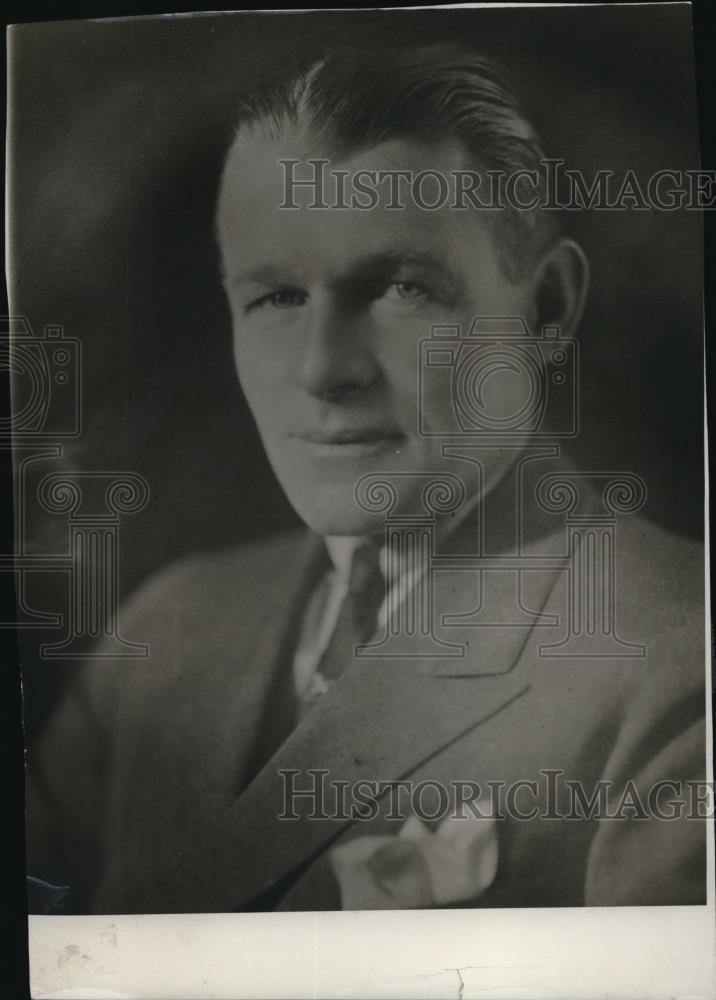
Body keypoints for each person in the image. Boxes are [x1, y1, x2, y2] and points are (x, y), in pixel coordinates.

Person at [25, 43, 705, 913]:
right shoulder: (162, 635)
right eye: (275, 297)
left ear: (546, 309)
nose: (321, 369)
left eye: (401, 288)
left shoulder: (678, 660)